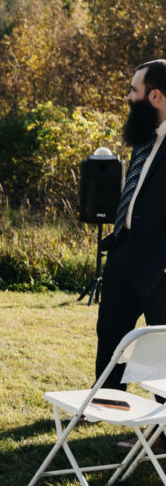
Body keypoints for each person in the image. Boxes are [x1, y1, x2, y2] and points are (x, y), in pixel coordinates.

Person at [94, 60, 166, 449]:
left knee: (160, 349)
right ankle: (103, 402)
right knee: (111, 334)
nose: (128, 97)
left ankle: (162, 430)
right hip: (124, 252)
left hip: (159, 264)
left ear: (156, 96)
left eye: (134, 91)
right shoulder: (144, 136)